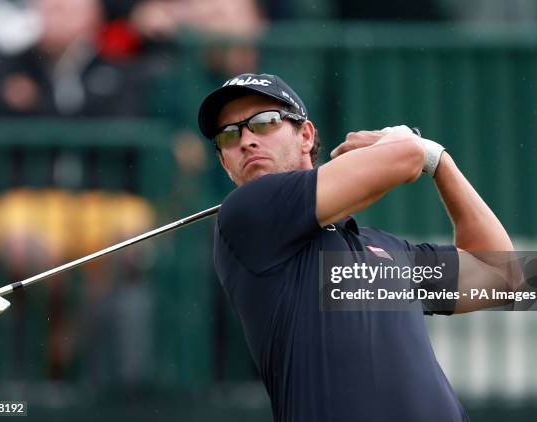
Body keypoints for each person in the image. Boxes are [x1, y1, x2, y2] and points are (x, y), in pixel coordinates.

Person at [197, 73, 517, 421]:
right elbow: (405, 157)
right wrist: (407, 144)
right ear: (225, 163)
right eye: (229, 135)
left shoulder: (384, 248)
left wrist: (439, 161)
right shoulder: (245, 215)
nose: (245, 140)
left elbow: (501, 277)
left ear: (305, 135)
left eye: (263, 123)